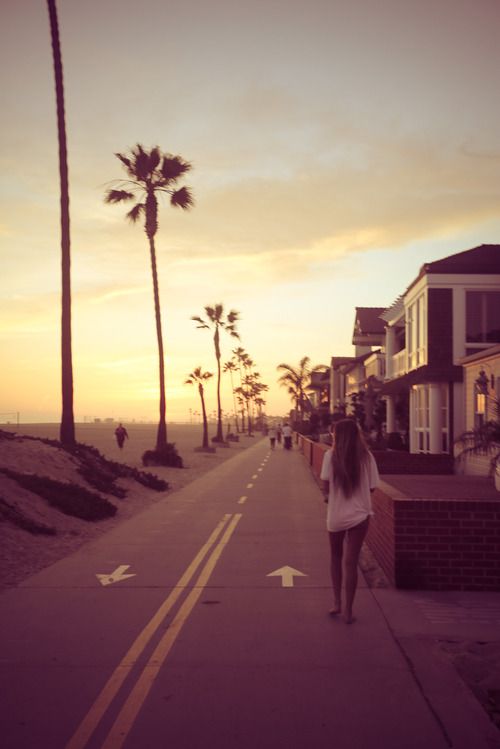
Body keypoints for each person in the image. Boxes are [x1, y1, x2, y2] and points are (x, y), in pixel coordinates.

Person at [320, 419, 379, 624]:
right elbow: (372, 487)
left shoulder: (330, 456)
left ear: (338, 435)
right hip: (360, 516)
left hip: (336, 515)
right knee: (351, 562)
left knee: (336, 557)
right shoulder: (367, 458)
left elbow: (325, 485)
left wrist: (329, 496)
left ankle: (336, 602)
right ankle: (348, 611)